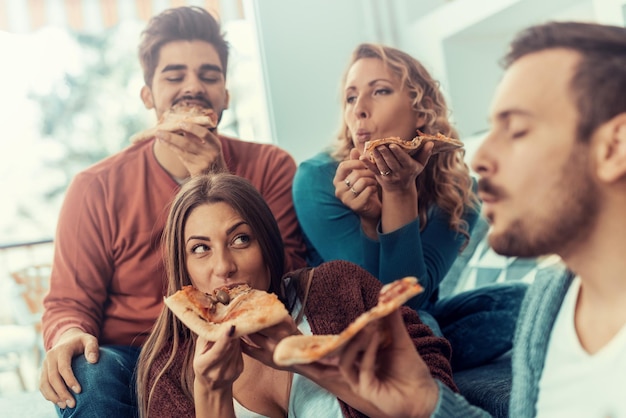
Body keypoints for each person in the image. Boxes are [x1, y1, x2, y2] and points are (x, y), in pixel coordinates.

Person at [313, 20, 626, 418]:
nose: (479, 158)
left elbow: (409, 296)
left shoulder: (458, 198)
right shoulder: (552, 297)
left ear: (615, 146)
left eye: (517, 130)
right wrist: (427, 405)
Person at [39, 6, 306, 416]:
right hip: (131, 355)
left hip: (242, 343)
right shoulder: (95, 187)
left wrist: (213, 179)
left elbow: (286, 276)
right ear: (148, 95)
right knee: (88, 372)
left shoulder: (271, 166)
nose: (193, 87)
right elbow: (69, 303)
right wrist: (69, 334)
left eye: (209, 75)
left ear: (226, 94)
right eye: (174, 75)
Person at [136, 172, 458, 418]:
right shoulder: (166, 371)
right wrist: (211, 391)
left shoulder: (337, 286)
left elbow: (438, 396)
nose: (224, 267)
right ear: (184, 268)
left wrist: (316, 362)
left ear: (267, 246)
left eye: (240, 240)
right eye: (201, 249)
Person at [292, 42, 527, 370]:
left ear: (422, 109)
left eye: (380, 91)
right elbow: (379, 302)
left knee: (522, 301)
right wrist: (375, 215)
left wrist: (398, 191)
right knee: (423, 326)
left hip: (416, 312)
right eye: (350, 97)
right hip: (345, 326)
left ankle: (427, 352)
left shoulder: (459, 192)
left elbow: (411, 297)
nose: (359, 109)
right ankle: (426, 358)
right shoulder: (317, 179)